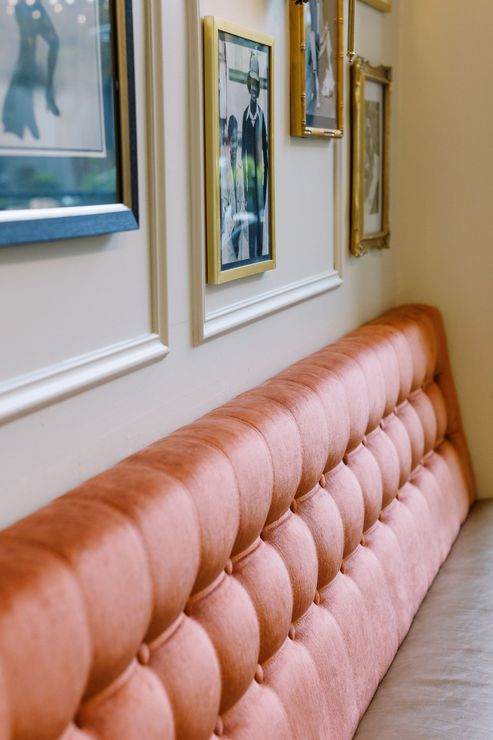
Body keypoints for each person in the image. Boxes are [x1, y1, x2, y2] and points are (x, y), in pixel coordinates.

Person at [2, 0, 60, 140]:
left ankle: (44, 95)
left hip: (30, 7)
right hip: (23, 7)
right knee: (28, 47)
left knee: (45, 43)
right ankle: (20, 117)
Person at [241, 52, 269, 261]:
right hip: (249, 178)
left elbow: (266, 149)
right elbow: (243, 152)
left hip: (260, 178)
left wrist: (265, 178)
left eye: (256, 86)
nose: (254, 89)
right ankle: (251, 255)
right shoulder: (245, 115)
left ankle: (260, 252)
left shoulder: (261, 116)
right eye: (251, 85)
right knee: (250, 216)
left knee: (260, 216)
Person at [220, 115, 247, 264]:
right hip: (230, 223)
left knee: (241, 256)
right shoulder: (224, 167)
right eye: (232, 140)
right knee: (230, 257)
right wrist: (227, 222)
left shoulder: (242, 163)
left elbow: (243, 195)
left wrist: (241, 213)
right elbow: (224, 199)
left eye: (237, 140)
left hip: (241, 220)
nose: (235, 144)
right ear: (229, 139)